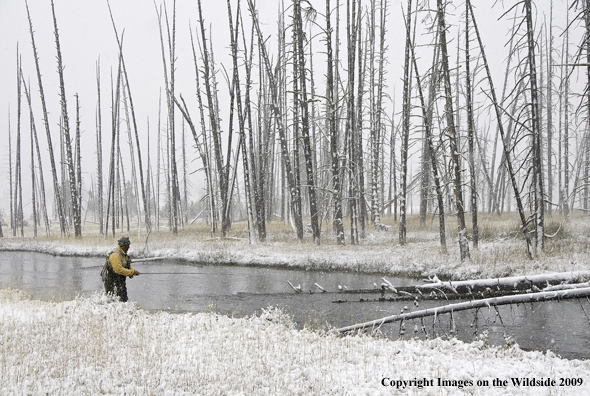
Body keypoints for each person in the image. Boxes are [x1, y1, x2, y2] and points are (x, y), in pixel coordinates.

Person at [101, 236, 141, 302]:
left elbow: (128, 265)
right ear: (123, 246)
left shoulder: (124, 254)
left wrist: (133, 271)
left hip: (120, 280)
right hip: (112, 280)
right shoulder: (115, 255)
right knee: (111, 298)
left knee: (123, 298)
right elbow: (118, 270)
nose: (129, 247)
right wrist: (132, 272)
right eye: (127, 245)